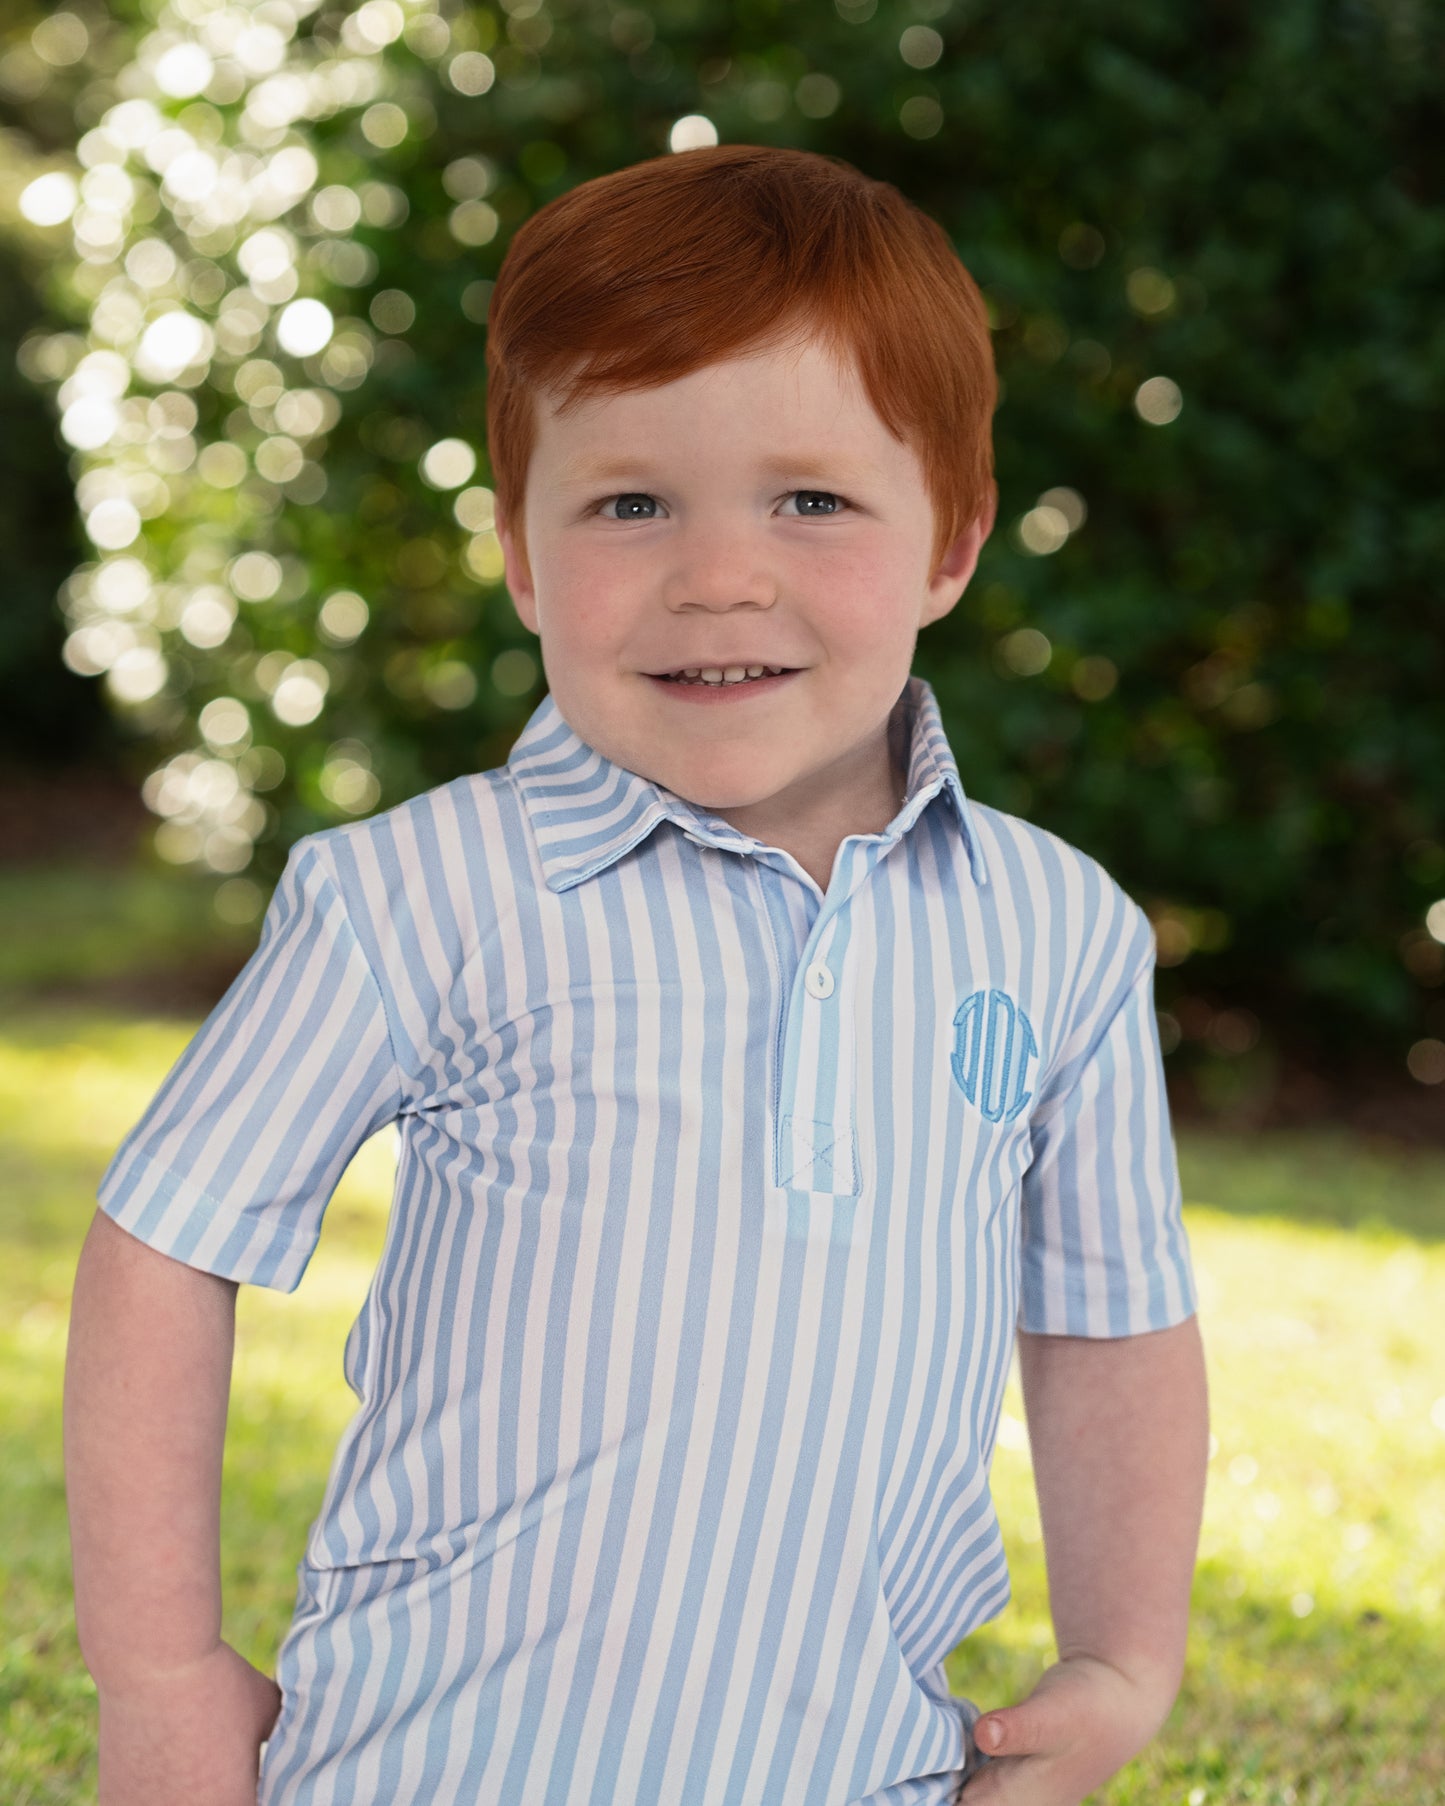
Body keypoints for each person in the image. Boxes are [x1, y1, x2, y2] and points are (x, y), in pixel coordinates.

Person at [65, 143, 1208, 1806]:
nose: (717, 575)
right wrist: (158, 1668)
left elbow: (1109, 1316)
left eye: (809, 499)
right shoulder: (422, 892)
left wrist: (1120, 1660)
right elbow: (166, 1239)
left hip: (860, 1771)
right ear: (524, 557)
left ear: (950, 541)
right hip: (429, 1768)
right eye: (628, 502)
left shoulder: (1060, 931)